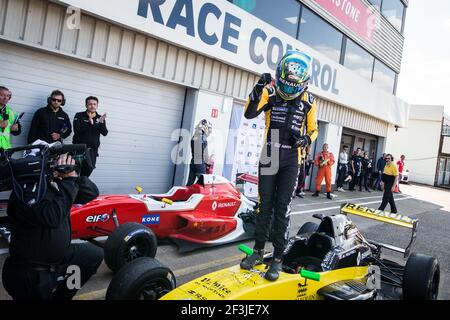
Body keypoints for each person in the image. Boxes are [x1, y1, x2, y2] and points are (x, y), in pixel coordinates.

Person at [239, 50, 318, 281]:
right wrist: (257, 89)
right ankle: (258, 251)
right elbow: (250, 113)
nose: (290, 90)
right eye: (287, 84)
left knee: (282, 208)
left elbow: (314, 130)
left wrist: (306, 140)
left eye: (295, 86)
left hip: (292, 158)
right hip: (270, 153)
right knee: (264, 206)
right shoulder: (270, 92)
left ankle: (278, 258)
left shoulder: (309, 101)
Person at [2, 149, 103, 300]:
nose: (56, 162)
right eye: (52, 159)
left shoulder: (53, 183)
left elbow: (91, 193)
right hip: (32, 271)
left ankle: (62, 296)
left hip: (60, 259)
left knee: (92, 256)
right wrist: (68, 182)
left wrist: (74, 174)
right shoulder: (25, 191)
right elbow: (52, 217)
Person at [72, 96, 108, 177]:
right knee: (76, 170)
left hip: (92, 150)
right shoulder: (79, 115)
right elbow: (77, 130)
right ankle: (75, 187)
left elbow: (105, 133)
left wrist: (101, 123)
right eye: (90, 104)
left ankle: (82, 186)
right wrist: (89, 123)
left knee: (89, 169)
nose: (92, 106)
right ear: (86, 105)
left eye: (94, 104)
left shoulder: (100, 118)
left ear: (97, 105)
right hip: (79, 148)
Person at [187, 119, 212, 186]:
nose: (209, 133)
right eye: (209, 131)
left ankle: (183, 196)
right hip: (200, 164)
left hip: (193, 162)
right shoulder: (203, 138)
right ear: (205, 128)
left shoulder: (194, 136)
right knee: (204, 185)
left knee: (189, 184)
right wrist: (208, 162)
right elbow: (205, 154)